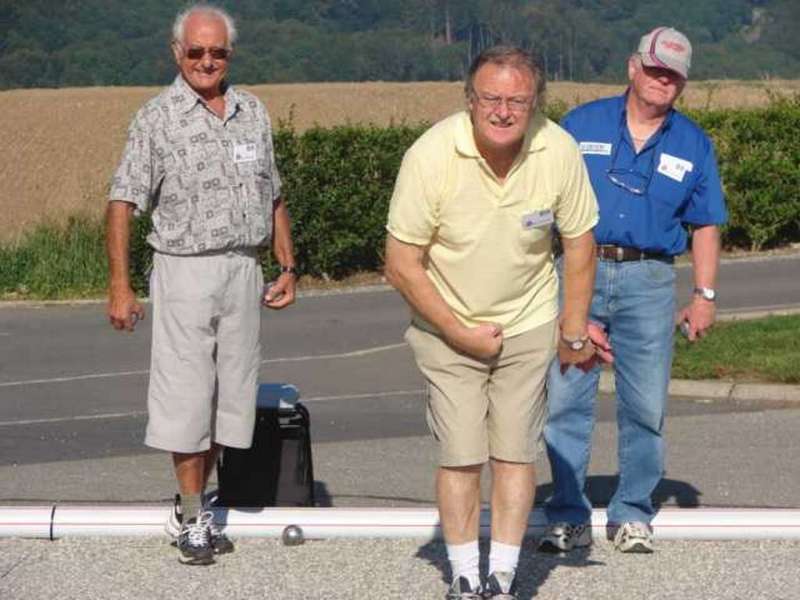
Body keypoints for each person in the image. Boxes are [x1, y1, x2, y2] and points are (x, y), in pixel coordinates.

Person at [385, 46, 599, 599]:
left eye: (517, 101)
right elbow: (401, 263)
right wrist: (457, 331)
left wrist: (572, 330)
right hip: (446, 324)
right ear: (470, 100)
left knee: (514, 451)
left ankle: (501, 577)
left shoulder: (558, 149)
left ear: (536, 103)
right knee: (461, 452)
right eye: (491, 99)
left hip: (528, 322)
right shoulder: (431, 155)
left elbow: (579, 243)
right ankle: (462, 572)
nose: (503, 112)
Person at [106, 4, 296, 565]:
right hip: (185, 268)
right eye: (196, 52)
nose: (207, 61)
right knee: (187, 398)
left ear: (229, 55)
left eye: (217, 52)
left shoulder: (252, 112)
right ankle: (191, 515)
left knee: (228, 400)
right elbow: (122, 201)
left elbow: (274, 193)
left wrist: (287, 265)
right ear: (176, 53)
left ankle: (199, 504)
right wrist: (120, 286)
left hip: (244, 268)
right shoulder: (156, 118)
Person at [538, 27, 727, 555]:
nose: (662, 80)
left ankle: (633, 512)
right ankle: (568, 514)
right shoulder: (580, 125)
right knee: (565, 400)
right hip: (579, 270)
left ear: (683, 83)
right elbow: (540, 199)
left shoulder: (692, 143)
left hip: (650, 279)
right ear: (632, 67)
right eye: (655, 68)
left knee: (645, 404)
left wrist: (703, 296)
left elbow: (706, 224)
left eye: (674, 74)